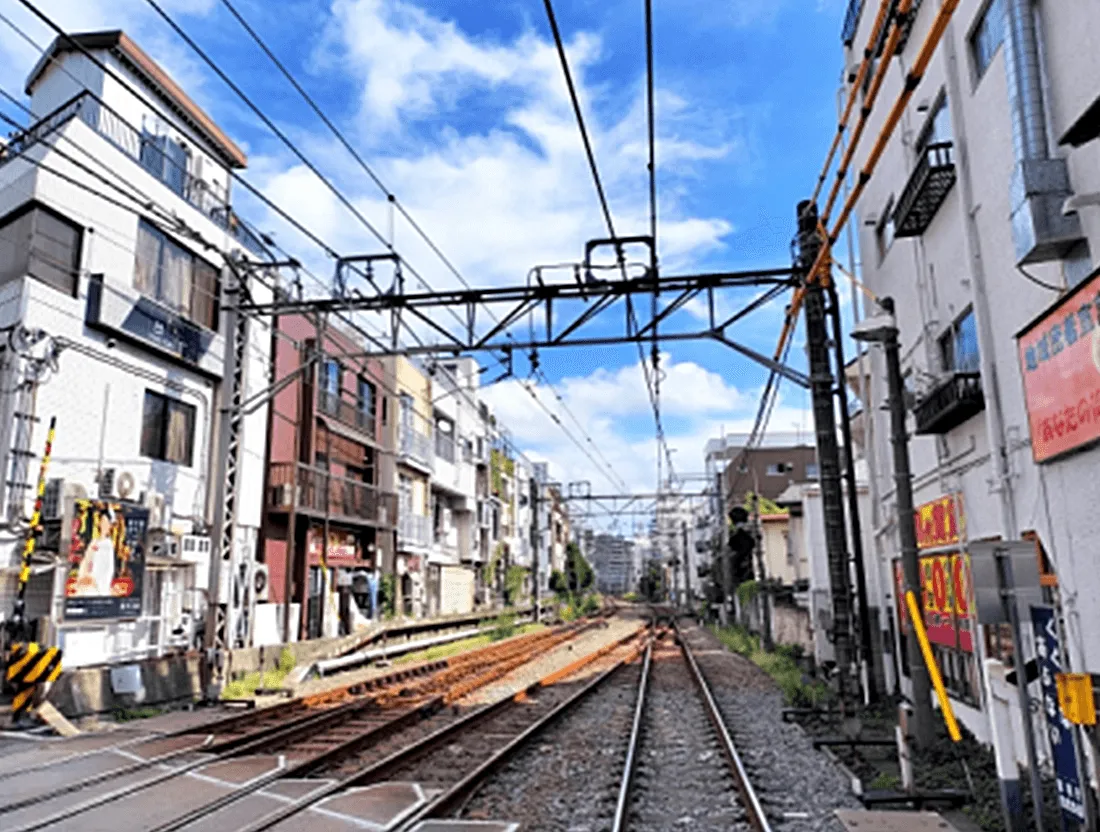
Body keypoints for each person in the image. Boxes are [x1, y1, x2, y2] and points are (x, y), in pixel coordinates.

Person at [73, 508, 116, 596]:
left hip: (101, 585)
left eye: (107, 522)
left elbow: (108, 568)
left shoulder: (109, 544)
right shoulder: (95, 542)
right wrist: (84, 575)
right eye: (103, 521)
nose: (104, 525)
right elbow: (87, 560)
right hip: (89, 581)